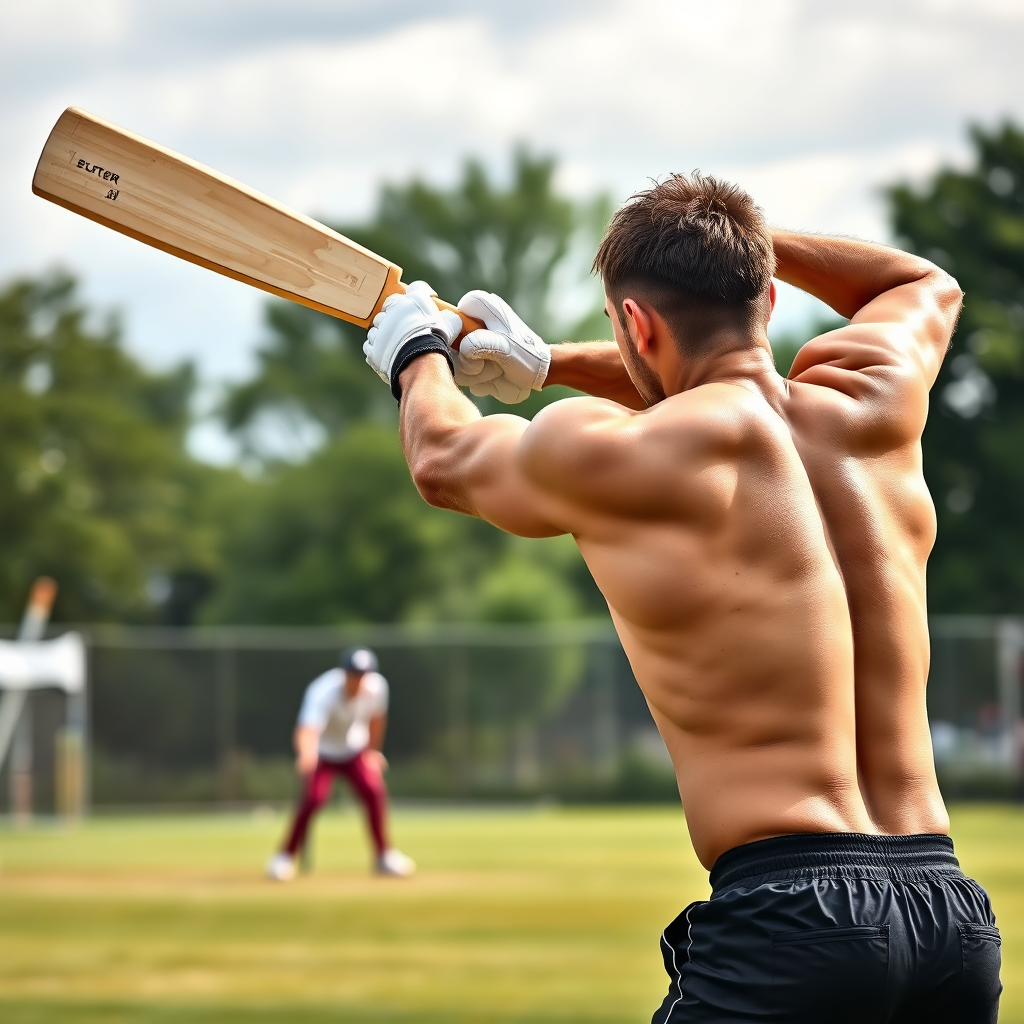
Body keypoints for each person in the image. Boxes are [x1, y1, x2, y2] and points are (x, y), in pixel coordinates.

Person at [360, 173, 1001, 1021]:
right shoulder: (875, 401)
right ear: (768, 293)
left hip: (794, 916)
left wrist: (418, 352)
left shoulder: (613, 455)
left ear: (634, 322)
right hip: (949, 917)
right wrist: (548, 364)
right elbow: (922, 284)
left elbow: (443, 459)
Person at [266, 646, 415, 880]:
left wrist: (373, 752)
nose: (359, 681)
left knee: (374, 792)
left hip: (355, 750)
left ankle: (384, 856)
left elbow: (376, 720)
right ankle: (284, 857)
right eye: (354, 675)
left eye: (363, 675)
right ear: (344, 673)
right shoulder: (322, 691)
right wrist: (306, 754)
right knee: (313, 799)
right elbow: (307, 730)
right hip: (322, 753)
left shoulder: (377, 687)